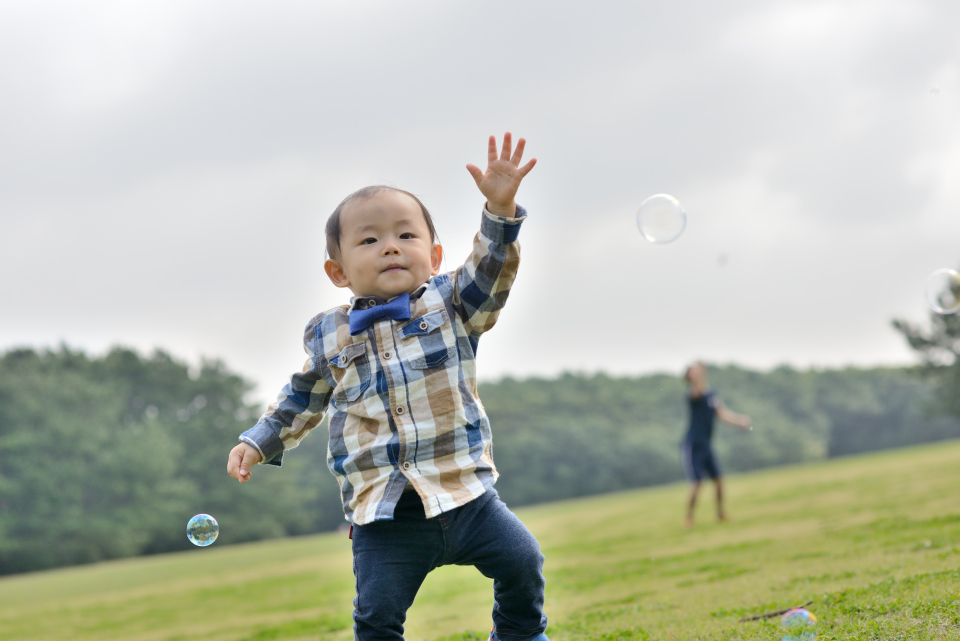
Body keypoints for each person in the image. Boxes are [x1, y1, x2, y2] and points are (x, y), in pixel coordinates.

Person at [226, 133, 548, 641]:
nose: (391, 246)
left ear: (435, 253)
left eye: (405, 235)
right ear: (338, 271)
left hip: (465, 493)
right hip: (385, 512)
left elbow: (491, 272)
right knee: (376, 615)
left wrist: (499, 207)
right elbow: (302, 397)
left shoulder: (453, 305)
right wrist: (257, 440)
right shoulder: (328, 334)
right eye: (369, 240)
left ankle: (520, 635)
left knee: (523, 560)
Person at [681, 361, 751, 528]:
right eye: (693, 372)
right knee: (697, 484)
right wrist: (696, 377)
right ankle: (689, 518)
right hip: (693, 445)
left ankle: (720, 513)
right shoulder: (692, 394)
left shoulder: (711, 394)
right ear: (690, 376)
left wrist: (739, 420)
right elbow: (696, 391)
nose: (697, 373)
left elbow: (722, 413)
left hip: (707, 445)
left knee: (719, 480)